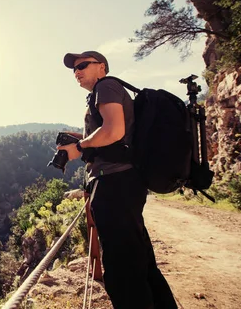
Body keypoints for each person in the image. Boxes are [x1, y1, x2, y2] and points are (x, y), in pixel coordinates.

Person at [57, 51, 177, 309]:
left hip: (113, 184)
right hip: (124, 182)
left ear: (102, 67)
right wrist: (80, 141)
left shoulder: (106, 86)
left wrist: (80, 144)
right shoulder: (103, 92)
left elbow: (114, 130)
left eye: (82, 65)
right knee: (139, 262)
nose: (77, 71)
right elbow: (114, 134)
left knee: (122, 271)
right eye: (74, 69)